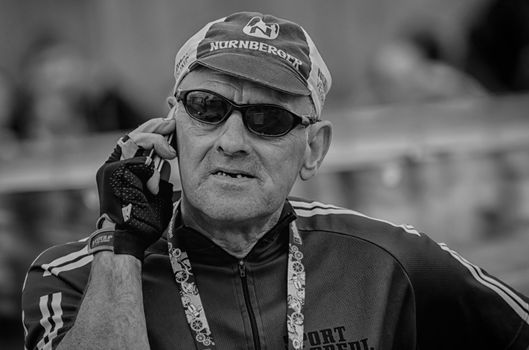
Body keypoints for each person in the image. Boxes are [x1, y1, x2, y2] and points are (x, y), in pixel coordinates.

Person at [21, 11, 529, 350]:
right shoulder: (73, 276)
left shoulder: (391, 261)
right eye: (208, 109)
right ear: (171, 124)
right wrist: (122, 246)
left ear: (313, 148)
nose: (232, 141)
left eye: (267, 120)